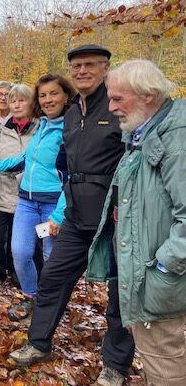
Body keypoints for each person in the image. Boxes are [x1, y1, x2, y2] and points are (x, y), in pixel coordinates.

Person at [8, 44, 135, 386]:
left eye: (90, 65)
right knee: (52, 279)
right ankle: (38, 343)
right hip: (76, 216)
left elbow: (135, 158)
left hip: (113, 218)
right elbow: (65, 162)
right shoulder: (72, 113)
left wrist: (128, 203)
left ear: (105, 68)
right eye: (76, 66)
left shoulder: (118, 104)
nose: (82, 71)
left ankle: (115, 367)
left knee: (119, 296)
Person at [88, 59, 185, 386]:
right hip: (146, 278)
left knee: (166, 366)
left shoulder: (176, 138)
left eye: (118, 99)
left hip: (161, 286)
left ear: (148, 95)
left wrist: (162, 269)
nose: (111, 106)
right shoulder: (144, 130)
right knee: (155, 362)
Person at [0, 74, 73, 321]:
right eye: (43, 95)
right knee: (20, 252)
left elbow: (73, 175)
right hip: (27, 203)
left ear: (66, 96)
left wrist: (59, 214)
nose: (48, 99)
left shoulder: (71, 129)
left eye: (54, 94)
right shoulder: (42, 126)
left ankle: (52, 304)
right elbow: (24, 159)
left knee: (51, 258)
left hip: (52, 205)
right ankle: (31, 296)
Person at [0, 84, 39, 285]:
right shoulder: (2, 129)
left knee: (20, 242)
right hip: (2, 191)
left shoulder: (40, 128)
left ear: (32, 103)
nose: (16, 104)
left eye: (21, 100)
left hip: (27, 195)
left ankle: (19, 276)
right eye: (13, 100)